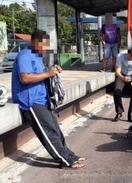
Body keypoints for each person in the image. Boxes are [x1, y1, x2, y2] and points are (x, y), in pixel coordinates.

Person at [11, 29, 86, 169]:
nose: (45, 48)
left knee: (55, 130)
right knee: (48, 133)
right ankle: (65, 159)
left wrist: (53, 71)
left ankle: (69, 154)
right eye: (43, 45)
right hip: (31, 102)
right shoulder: (25, 55)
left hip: (43, 100)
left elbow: (42, 75)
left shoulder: (37, 57)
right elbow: (25, 78)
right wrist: (47, 73)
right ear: (35, 42)